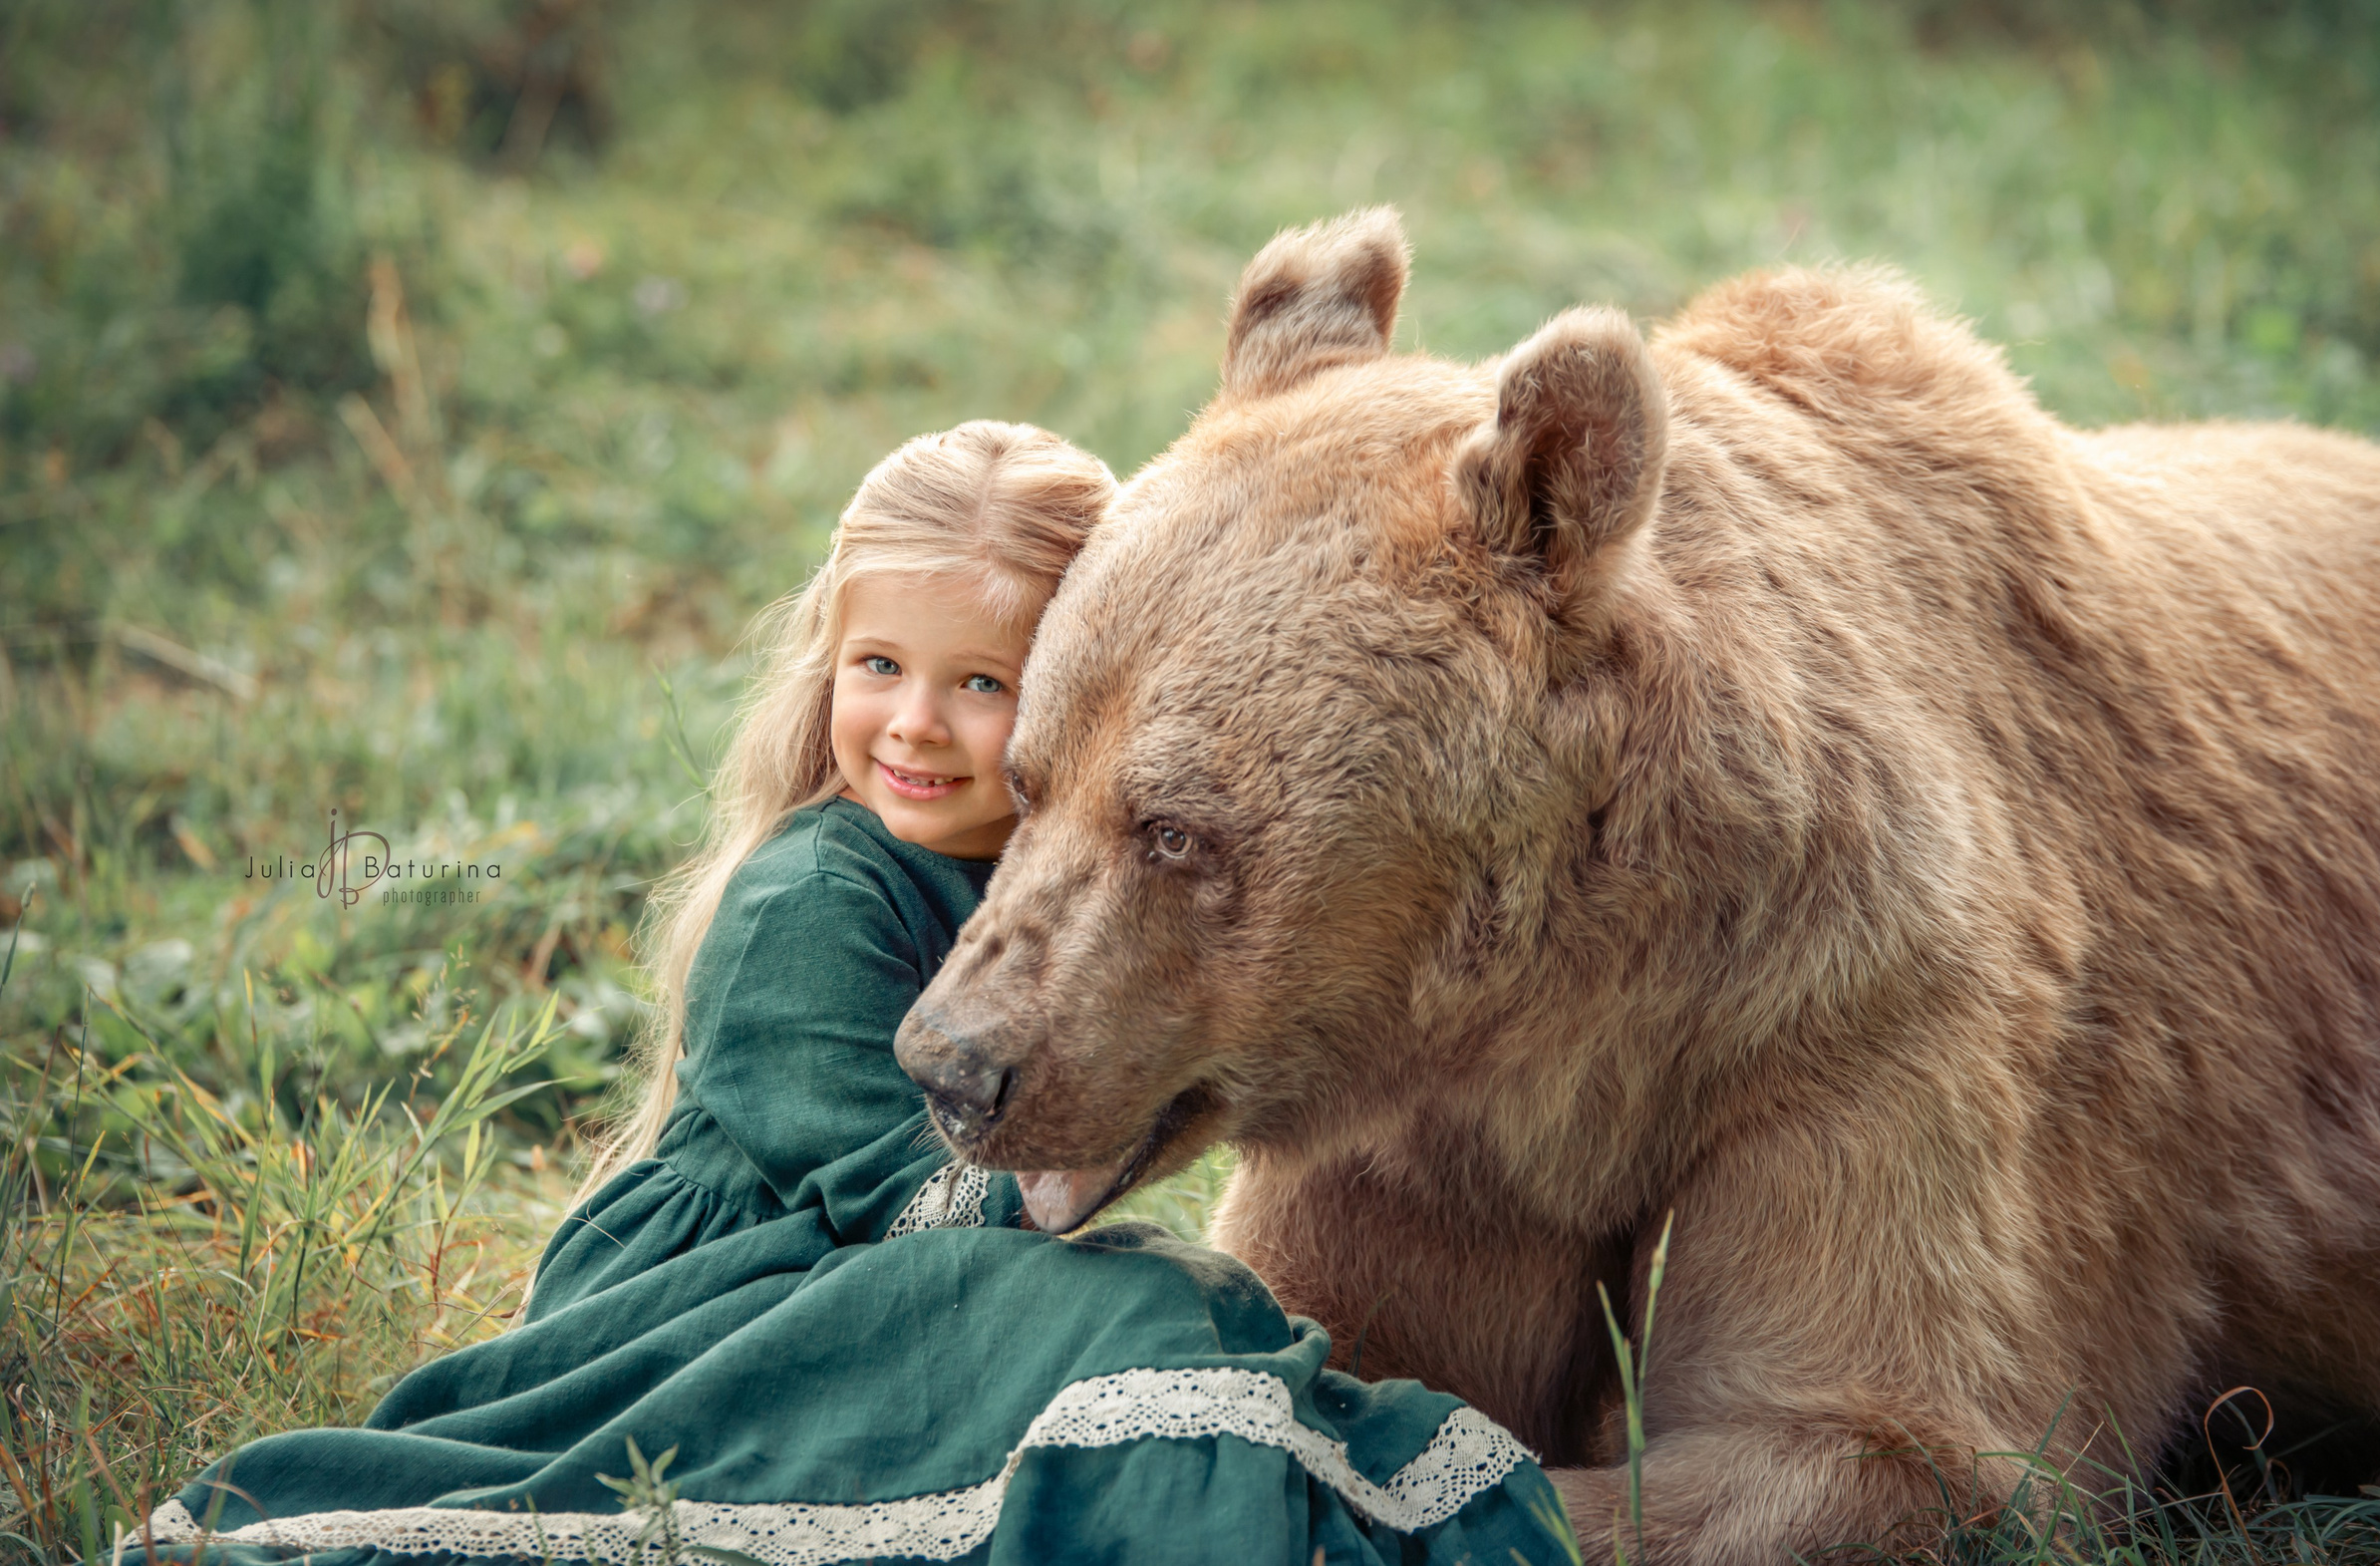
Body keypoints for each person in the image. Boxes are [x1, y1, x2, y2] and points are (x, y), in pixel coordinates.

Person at [135, 422, 1571, 1566]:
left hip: (925, 1257)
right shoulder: (811, 898)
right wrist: (1074, 1163)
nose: (916, 725)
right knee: (1149, 1315)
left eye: (984, 685)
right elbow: (875, 1182)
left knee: (1188, 1321)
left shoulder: (1053, 864)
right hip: (765, 1288)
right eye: (878, 666)